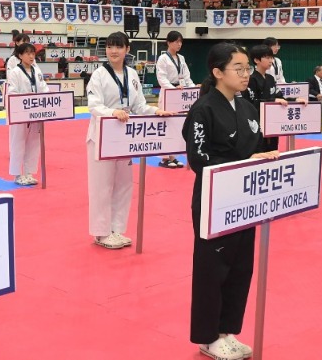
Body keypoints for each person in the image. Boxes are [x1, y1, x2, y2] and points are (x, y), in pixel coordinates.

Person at [184, 42, 278, 360]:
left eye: (247, 68)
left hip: (246, 197)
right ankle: (208, 336)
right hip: (215, 196)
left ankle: (227, 331)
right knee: (213, 268)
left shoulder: (248, 108)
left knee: (240, 266)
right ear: (217, 72)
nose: (245, 74)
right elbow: (199, 159)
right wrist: (245, 160)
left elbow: (257, 146)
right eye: (238, 68)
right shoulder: (203, 109)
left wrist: (261, 158)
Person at [86, 31, 171, 249]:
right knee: (101, 186)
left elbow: (139, 106)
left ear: (127, 49)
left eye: (118, 47)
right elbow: (94, 105)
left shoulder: (132, 74)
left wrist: (155, 111)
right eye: (109, 47)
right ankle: (101, 233)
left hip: (125, 136)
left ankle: (116, 229)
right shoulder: (99, 75)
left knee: (123, 185)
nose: (113, 51)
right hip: (103, 136)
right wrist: (112, 112)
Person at [6, 43, 47, 186]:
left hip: (35, 113)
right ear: (20, 55)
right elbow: (12, 92)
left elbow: (44, 89)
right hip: (20, 113)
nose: (31, 56)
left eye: (33, 53)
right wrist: (26, 97)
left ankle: (29, 173)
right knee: (18, 143)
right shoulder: (15, 73)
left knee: (33, 144)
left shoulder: (37, 71)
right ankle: (17, 174)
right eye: (27, 53)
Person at [155, 30, 192, 169]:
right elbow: (161, 78)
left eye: (180, 41)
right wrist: (172, 88)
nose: (179, 44)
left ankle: (174, 156)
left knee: (177, 124)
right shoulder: (162, 58)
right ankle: (166, 157)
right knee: (167, 124)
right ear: (169, 42)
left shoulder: (181, 58)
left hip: (180, 93)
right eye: (176, 41)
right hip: (168, 93)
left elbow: (186, 76)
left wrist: (193, 88)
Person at [241, 44, 288, 151]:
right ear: (257, 60)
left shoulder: (271, 78)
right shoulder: (251, 80)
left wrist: (295, 100)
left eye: (271, 57)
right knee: (260, 150)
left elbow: (279, 96)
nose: (270, 60)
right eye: (267, 57)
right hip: (257, 122)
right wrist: (273, 100)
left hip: (272, 121)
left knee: (273, 149)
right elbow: (250, 102)